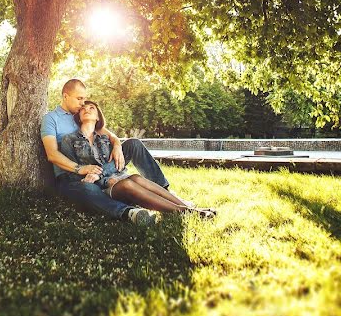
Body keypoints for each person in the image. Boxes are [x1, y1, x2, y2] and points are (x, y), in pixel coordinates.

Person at [41, 79, 197, 225]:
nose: (83, 104)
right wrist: (80, 169)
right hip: (70, 175)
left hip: (98, 168)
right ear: (65, 96)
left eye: (85, 100)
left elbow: (110, 135)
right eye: (79, 99)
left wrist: (117, 146)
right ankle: (129, 212)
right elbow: (52, 154)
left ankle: (165, 193)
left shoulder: (81, 114)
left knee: (133, 144)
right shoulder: (51, 119)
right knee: (89, 188)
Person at [60, 101, 215, 218]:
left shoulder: (104, 138)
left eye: (91, 108)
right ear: (78, 116)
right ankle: (187, 212)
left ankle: (183, 204)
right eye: (83, 109)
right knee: (128, 182)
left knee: (135, 177)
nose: (86, 109)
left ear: (98, 116)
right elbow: (73, 172)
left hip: (116, 178)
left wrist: (117, 146)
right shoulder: (69, 140)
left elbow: (114, 163)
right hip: (100, 188)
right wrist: (104, 180)